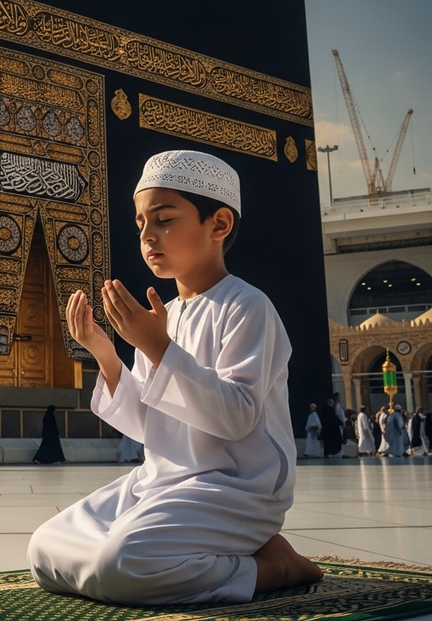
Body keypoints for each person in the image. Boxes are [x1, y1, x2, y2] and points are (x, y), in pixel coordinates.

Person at [27, 149, 322, 606]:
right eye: (141, 224)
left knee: (118, 566)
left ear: (218, 225)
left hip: (235, 487)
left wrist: (157, 346)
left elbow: (237, 417)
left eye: (164, 220)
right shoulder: (163, 316)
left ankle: (271, 566)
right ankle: (223, 552)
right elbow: (152, 424)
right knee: (44, 550)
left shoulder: (247, 307)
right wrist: (106, 355)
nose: (148, 236)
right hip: (161, 482)